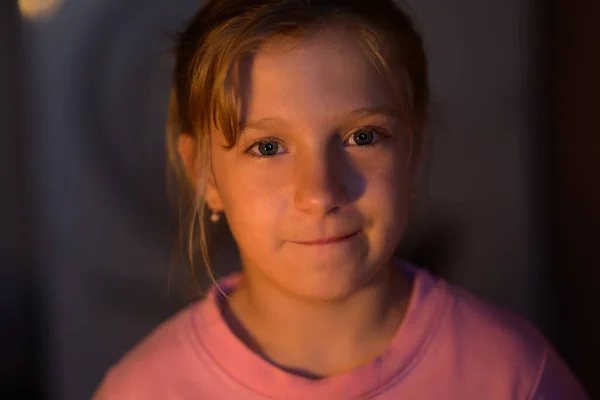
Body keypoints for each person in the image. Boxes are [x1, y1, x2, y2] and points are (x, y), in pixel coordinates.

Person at [93, 0, 588, 398]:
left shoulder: (515, 377)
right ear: (205, 174)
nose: (321, 193)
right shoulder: (143, 389)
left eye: (363, 137)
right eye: (267, 147)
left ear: (413, 151)